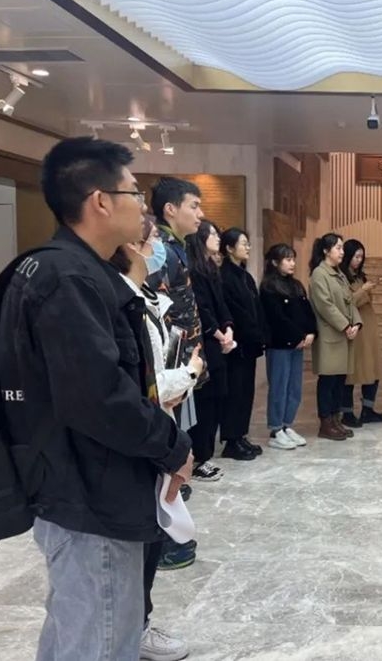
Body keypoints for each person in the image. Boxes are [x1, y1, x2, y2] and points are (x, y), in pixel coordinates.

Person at [0, 136, 192, 661]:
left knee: (80, 631)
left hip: (83, 487)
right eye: (134, 192)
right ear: (100, 201)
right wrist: (173, 446)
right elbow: (101, 398)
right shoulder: (68, 279)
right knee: (100, 639)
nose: (143, 207)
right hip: (88, 494)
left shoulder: (77, 271)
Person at [108, 214, 204, 661]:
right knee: (140, 540)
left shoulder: (145, 298)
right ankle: (133, 629)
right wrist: (189, 373)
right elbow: (143, 384)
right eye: (151, 241)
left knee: (152, 534)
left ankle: (139, 623)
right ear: (132, 246)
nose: (159, 250)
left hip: (158, 427)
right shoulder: (120, 303)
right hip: (142, 435)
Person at [146, 176, 205, 569]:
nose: (200, 214)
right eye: (193, 206)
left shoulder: (178, 250)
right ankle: (166, 538)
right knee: (168, 451)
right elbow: (162, 316)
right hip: (168, 369)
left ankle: (171, 531)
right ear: (170, 209)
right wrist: (182, 370)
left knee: (177, 446)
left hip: (181, 366)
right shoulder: (162, 252)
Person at [187, 220, 237, 477]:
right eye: (213, 234)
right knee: (205, 401)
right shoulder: (193, 270)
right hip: (206, 343)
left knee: (219, 397)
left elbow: (221, 306)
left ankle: (205, 454)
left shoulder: (211, 268)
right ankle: (198, 458)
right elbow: (202, 309)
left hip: (219, 342)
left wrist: (228, 329)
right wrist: (219, 335)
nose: (217, 238)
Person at [260, 244, 316, 449]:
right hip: (280, 345)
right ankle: (275, 429)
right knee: (279, 386)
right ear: (275, 262)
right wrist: (298, 335)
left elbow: (307, 312)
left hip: (297, 345)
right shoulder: (268, 287)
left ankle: (286, 424)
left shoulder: (296, 286)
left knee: (294, 388)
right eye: (288, 259)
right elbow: (277, 319)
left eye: (293, 259)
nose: (293, 263)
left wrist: (311, 332)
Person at [308, 233, 362, 441]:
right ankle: (325, 422)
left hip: (345, 335)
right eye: (338, 248)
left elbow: (350, 301)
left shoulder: (339, 274)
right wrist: (345, 325)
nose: (342, 252)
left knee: (340, 380)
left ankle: (335, 419)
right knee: (328, 380)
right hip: (330, 335)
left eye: (342, 248)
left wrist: (356, 323)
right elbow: (325, 305)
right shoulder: (319, 274)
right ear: (326, 251)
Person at [219, 227, 265, 458]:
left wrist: (261, 334)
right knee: (235, 392)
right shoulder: (224, 276)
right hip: (236, 345)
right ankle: (231, 440)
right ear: (229, 248)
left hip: (250, 344)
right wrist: (251, 332)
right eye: (243, 243)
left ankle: (240, 435)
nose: (248, 247)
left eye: (248, 243)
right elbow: (235, 312)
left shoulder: (245, 276)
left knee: (246, 392)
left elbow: (256, 308)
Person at [341, 239, 382, 427]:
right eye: (356, 256)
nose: (359, 260)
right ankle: (347, 412)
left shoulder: (360, 276)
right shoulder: (342, 277)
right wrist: (363, 290)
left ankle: (368, 409)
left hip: (368, 327)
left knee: (372, 369)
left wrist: (368, 287)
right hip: (355, 329)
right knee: (352, 372)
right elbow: (347, 302)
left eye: (361, 257)